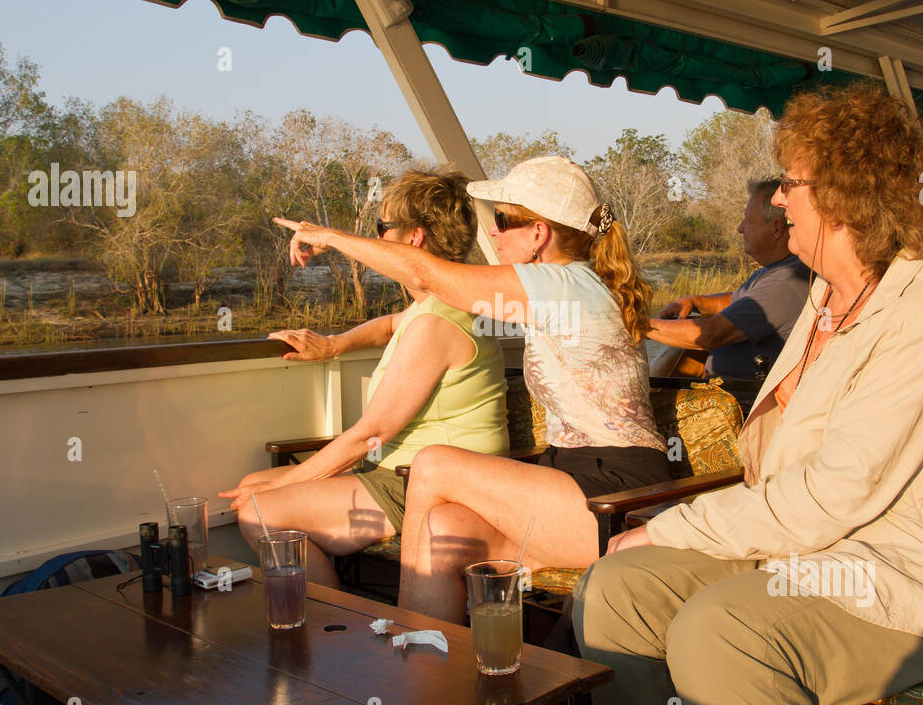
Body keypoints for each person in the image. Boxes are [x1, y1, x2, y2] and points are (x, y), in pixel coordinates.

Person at [571, 84, 923, 705]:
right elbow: (782, 471)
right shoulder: (827, 295)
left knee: (724, 629)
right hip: (806, 546)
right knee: (615, 589)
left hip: (906, 574)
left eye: (790, 183)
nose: (779, 199)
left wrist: (676, 524)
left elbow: (833, 495)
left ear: (843, 194)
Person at [276, 156, 669, 622]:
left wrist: (333, 238)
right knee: (444, 529)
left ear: (539, 233)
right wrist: (337, 343)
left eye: (502, 220)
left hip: (619, 494)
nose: (494, 234)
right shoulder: (562, 286)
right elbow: (417, 307)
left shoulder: (563, 283)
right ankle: (434, 680)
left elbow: (427, 276)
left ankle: (404, 640)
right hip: (566, 478)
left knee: (434, 463)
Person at [218, 170, 508, 586]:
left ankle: (332, 627)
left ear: (414, 238)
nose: (376, 240)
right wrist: (335, 345)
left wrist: (280, 489)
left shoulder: (437, 324)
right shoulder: (434, 307)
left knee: (261, 509)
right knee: (255, 483)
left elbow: (369, 434)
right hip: (400, 470)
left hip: (432, 486)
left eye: (381, 228)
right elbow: (391, 324)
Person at [648, 178, 810, 379]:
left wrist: (638, 325)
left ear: (777, 229)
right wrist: (696, 302)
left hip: (740, 403)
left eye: (748, 221)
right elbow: (741, 301)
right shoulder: (771, 272)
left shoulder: (787, 281)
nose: (740, 228)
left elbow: (710, 334)